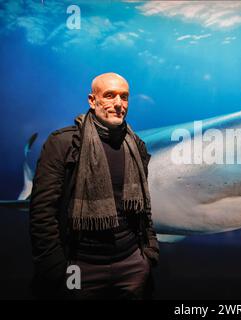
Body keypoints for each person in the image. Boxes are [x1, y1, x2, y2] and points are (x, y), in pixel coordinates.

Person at [29, 72, 159, 299]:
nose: (118, 103)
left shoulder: (136, 146)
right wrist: (57, 268)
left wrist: (148, 254)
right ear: (92, 100)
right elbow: (42, 212)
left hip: (131, 265)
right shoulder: (63, 143)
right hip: (79, 265)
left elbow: (144, 206)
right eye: (109, 95)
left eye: (124, 97)